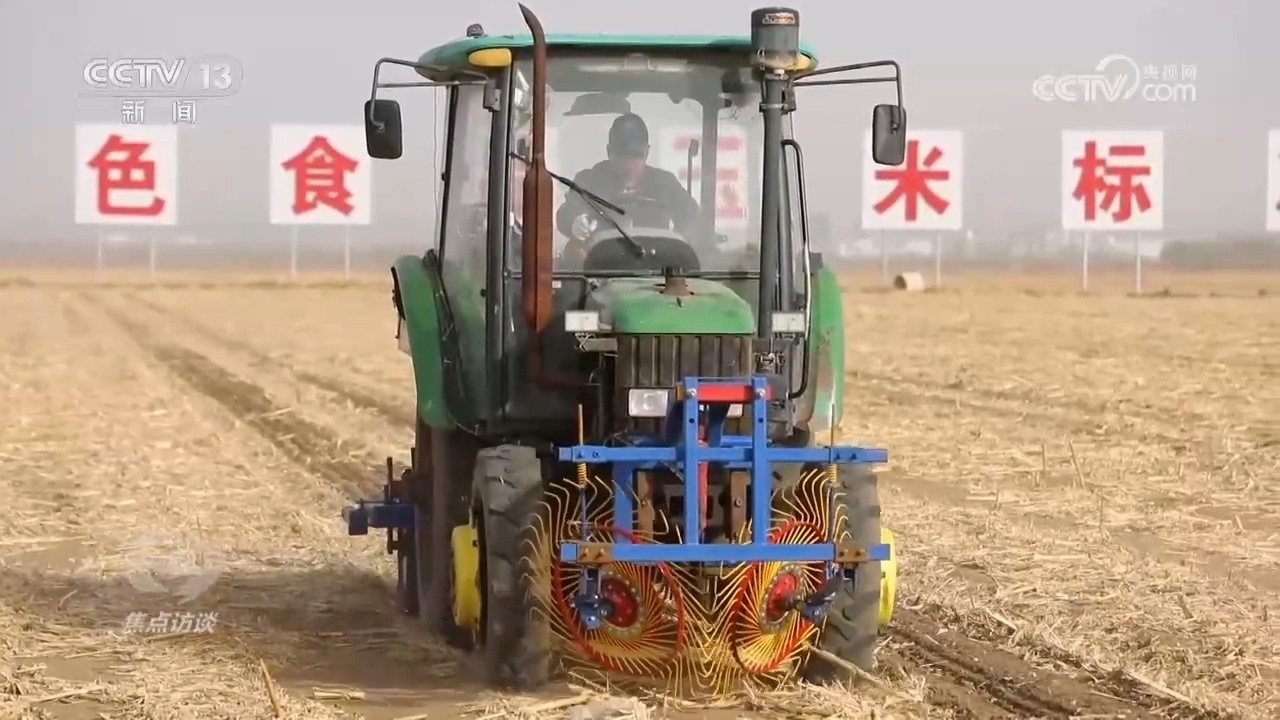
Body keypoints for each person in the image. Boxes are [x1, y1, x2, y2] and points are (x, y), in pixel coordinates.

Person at [555, 113, 701, 264]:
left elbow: (691, 213)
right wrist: (575, 221)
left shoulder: (665, 183)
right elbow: (568, 210)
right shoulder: (589, 180)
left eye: (636, 154)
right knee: (574, 251)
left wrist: (679, 238)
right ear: (609, 151)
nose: (629, 162)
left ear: (647, 152)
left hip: (657, 266)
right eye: (621, 154)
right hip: (602, 267)